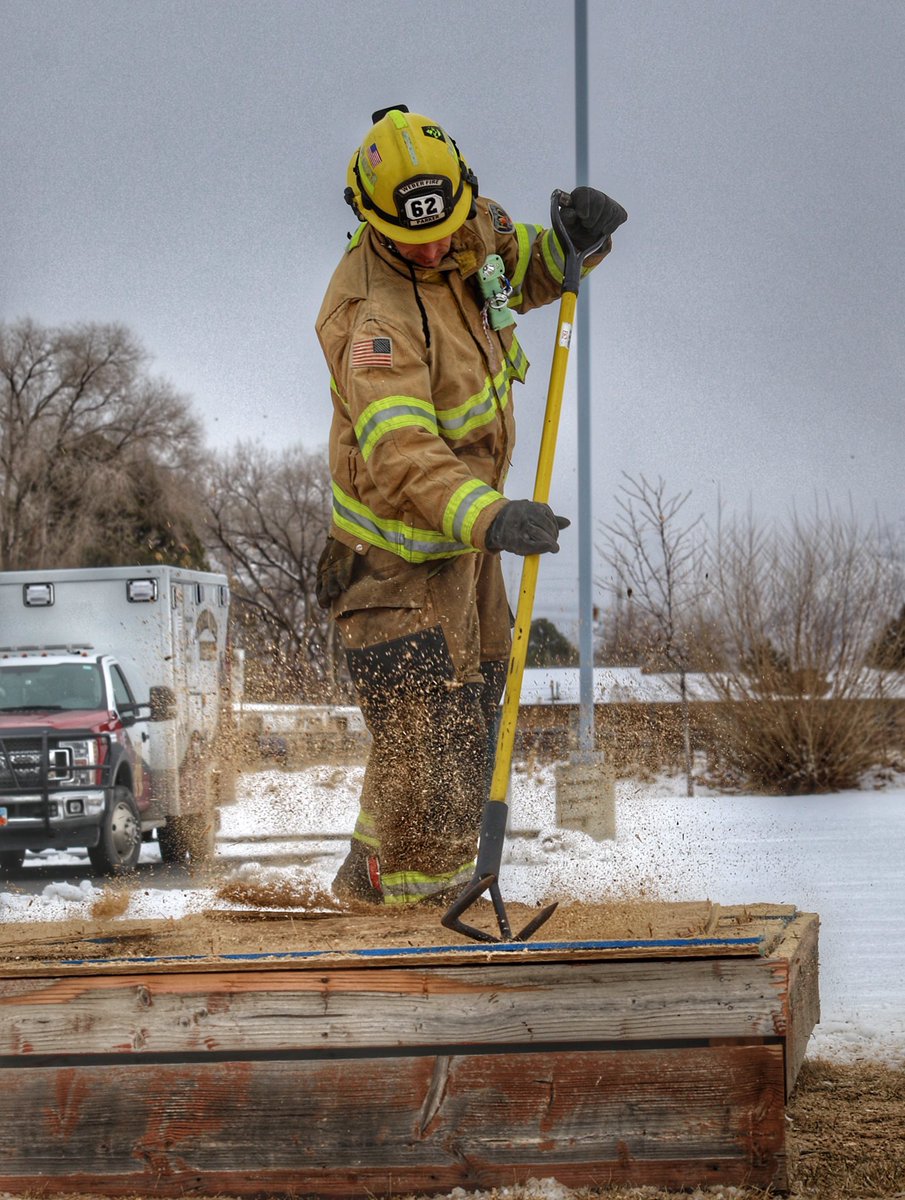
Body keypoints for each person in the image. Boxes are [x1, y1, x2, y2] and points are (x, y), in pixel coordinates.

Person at [315, 105, 626, 907]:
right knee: (436, 742)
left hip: (463, 545)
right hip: (390, 561)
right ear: (367, 218)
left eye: (445, 227)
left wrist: (570, 247)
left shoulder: (466, 228)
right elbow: (402, 451)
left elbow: (517, 266)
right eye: (409, 237)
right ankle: (429, 918)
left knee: (472, 709)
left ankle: (366, 886)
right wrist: (490, 516)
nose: (432, 247)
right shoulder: (371, 319)